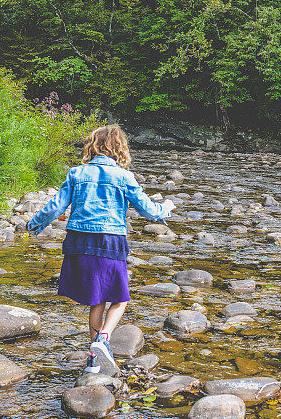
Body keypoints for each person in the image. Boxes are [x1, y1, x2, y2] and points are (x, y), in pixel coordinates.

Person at [26, 124, 174, 374]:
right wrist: (167, 207)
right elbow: (148, 210)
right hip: (109, 240)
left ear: (93, 146)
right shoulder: (124, 177)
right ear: (120, 148)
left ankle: (94, 360)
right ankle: (103, 339)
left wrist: (34, 224)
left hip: (78, 240)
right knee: (119, 298)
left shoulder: (76, 173)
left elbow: (55, 207)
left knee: (97, 300)